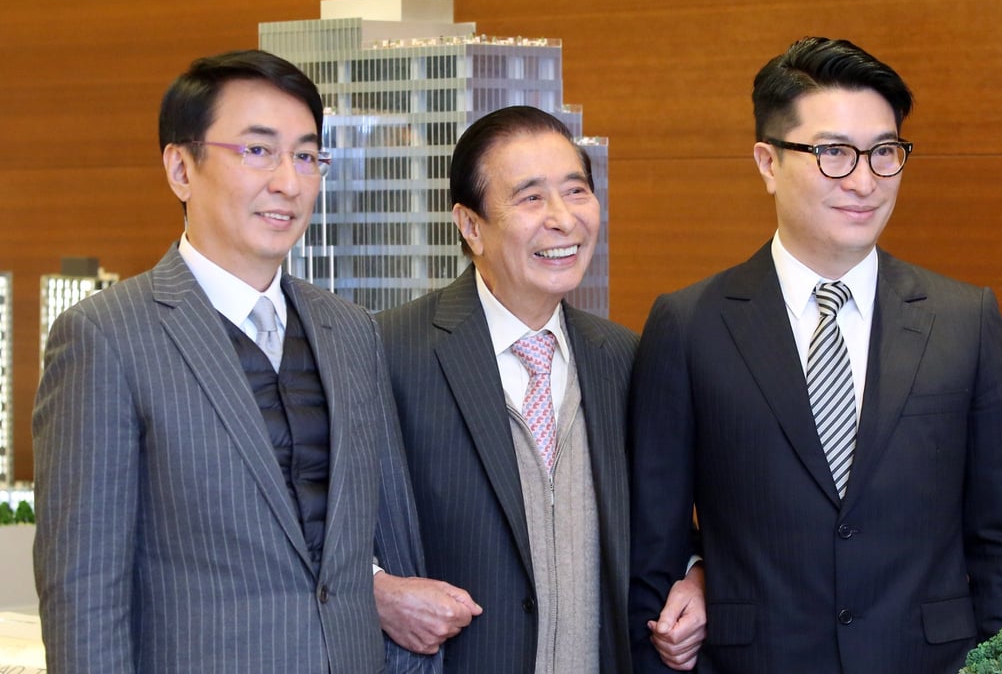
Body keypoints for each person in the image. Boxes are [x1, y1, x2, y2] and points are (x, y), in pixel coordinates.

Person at [628, 36, 1002, 674]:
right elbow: (653, 545)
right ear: (767, 162)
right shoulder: (689, 324)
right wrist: (694, 577)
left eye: (884, 152)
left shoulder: (966, 320)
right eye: (833, 152)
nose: (864, 182)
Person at [32, 49, 430, 672]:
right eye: (258, 150)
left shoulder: (352, 331)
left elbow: (386, 548)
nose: (289, 182)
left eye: (306, 156)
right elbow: (83, 596)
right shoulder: (105, 337)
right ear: (180, 169)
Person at [373, 105, 706, 673]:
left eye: (576, 191)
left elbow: (669, 523)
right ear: (470, 225)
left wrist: (697, 577)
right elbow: (316, 516)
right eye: (530, 198)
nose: (563, 219)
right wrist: (376, 589)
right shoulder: (388, 349)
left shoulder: (626, 357)